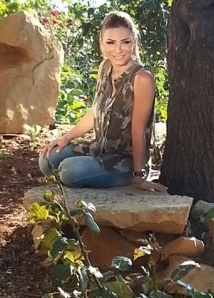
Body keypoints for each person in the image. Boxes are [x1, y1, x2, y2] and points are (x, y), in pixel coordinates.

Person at [39, 11, 166, 192]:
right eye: (111, 42)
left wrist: (140, 176)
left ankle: (124, 177)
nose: (118, 50)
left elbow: (138, 130)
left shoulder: (142, 78)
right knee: (48, 159)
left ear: (134, 42)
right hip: (100, 149)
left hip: (125, 161)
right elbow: (96, 111)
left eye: (125, 42)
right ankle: (92, 170)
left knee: (69, 171)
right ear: (101, 43)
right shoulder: (105, 67)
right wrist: (65, 138)